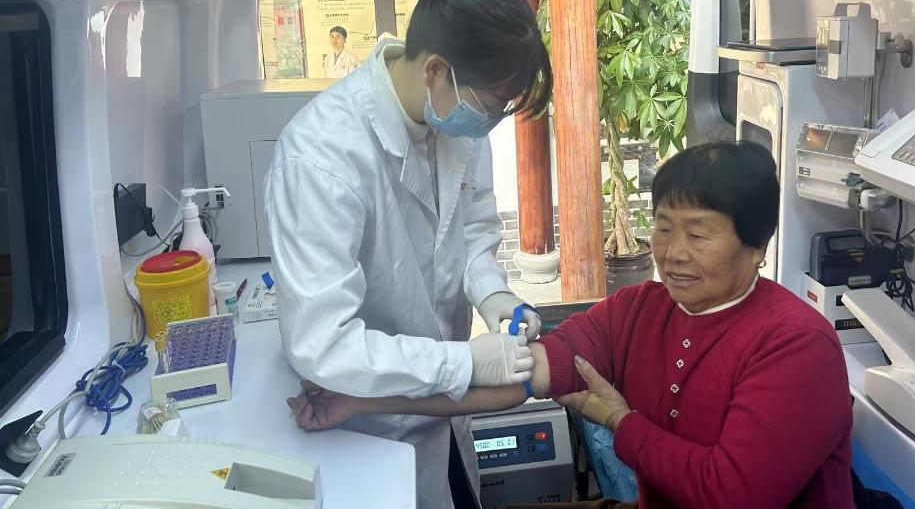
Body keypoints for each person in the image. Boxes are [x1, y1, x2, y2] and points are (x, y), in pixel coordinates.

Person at [287, 141, 855, 509]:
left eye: (698, 234)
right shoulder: (639, 309)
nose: (674, 252)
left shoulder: (795, 345)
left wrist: (621, 422)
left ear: (757, 246)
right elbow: (519, 376)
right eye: (663, 228)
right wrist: (362, 400)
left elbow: (732, 495)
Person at [266, 0, 553, 509]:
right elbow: (322, 343)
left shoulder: (456, 120)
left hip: (443, 414)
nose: (490, 121)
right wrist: (465, 363)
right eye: (491, 105)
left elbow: (472, 229)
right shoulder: (322, 156)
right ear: (436, 70)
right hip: (365, 424)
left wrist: (493, 293)